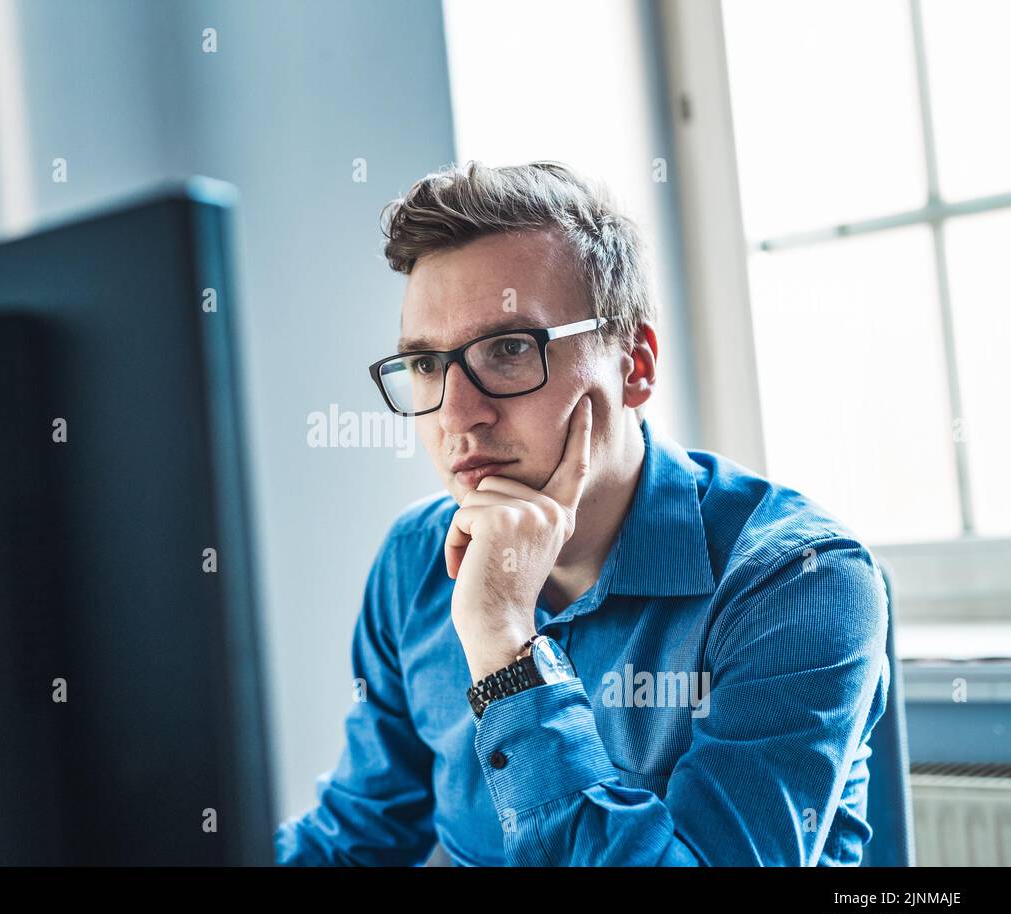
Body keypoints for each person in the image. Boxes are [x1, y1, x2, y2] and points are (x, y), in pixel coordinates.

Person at [275, 160, 889, 866]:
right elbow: (359, 839)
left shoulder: (800, 581)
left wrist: (505, 646)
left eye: (508, 349)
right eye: (424, 364)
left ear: (635, 365)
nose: (456, 415)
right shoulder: (415, 559)